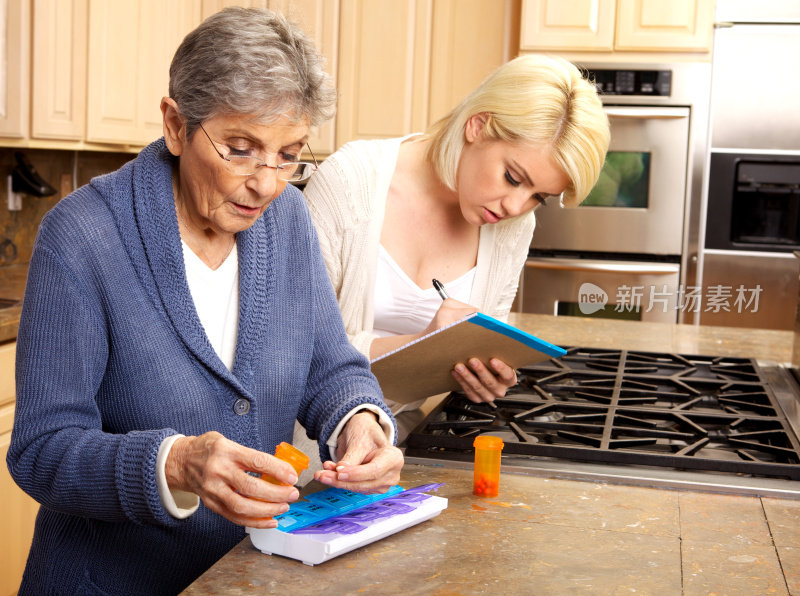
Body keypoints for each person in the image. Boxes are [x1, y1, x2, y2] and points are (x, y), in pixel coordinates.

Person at [7, 8, 402, 595]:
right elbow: (41, 449)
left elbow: (328, 363)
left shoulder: (288, 219)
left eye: (289, 153)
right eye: (240, 149)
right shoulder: (84, 236)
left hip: (241, 577)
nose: (267, 183)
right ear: (175, 124)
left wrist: (360, 420)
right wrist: (173, 463)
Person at [302, 54, 610, 415]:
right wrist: (422, 345)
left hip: (408, 436)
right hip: (310, 448)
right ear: (478, 126)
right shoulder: (349, 182)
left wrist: (481, 376)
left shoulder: (513, 227)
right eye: (513, 177)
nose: (515, 206)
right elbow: (294, 351)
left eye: (538, 197)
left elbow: (472, 358)